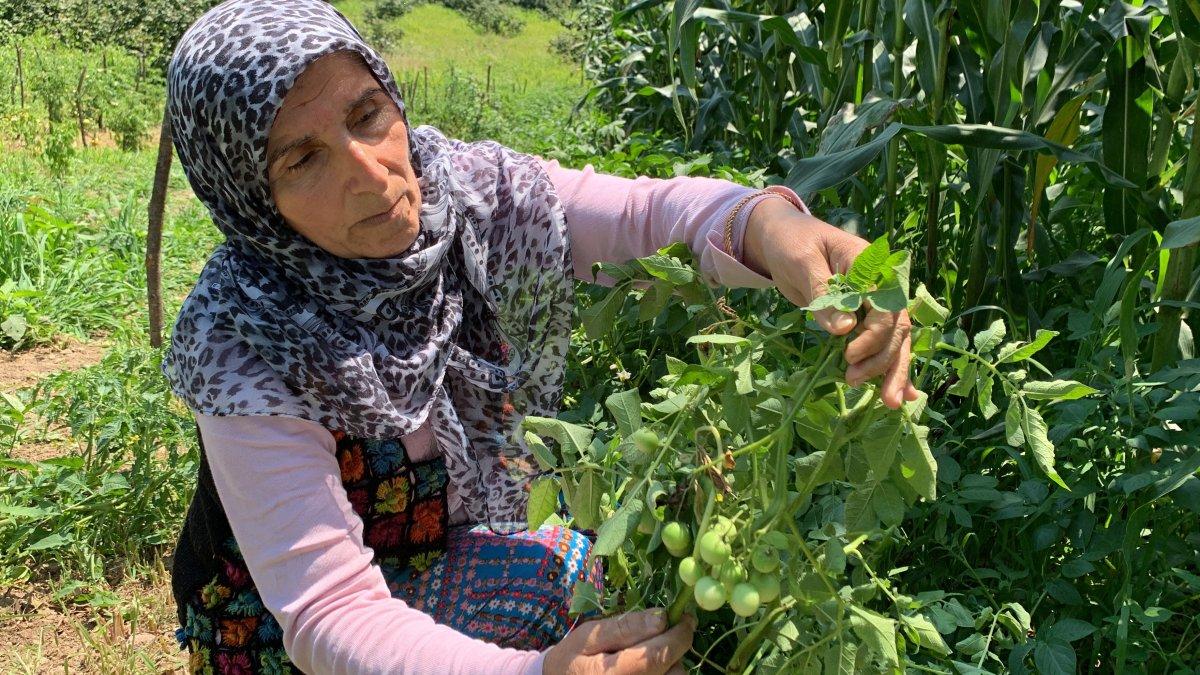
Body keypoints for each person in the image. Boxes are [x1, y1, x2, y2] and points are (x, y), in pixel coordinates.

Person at [162, 1, 919, 673]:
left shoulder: (470, 194)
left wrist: (767, 222)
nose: (371, 174)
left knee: (580, 571)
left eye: (366, 115)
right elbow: (330, 614)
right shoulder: (245, 338)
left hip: (436, 547)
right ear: (249, 197)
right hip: (282, 636)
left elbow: (643, 217)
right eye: (302, 158)